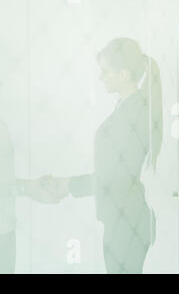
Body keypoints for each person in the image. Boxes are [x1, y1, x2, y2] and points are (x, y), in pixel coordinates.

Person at [42, 38, 163, 273]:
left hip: (127, 221)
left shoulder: (134, 114)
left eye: (105, 71)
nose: (101, 78)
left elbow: (117, 176)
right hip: (124, 218)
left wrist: (70, 185)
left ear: (123, 74)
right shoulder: (127, 109)